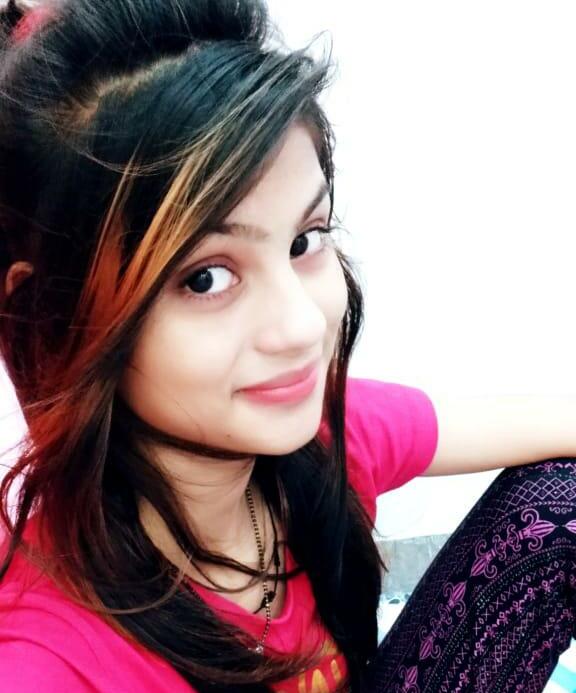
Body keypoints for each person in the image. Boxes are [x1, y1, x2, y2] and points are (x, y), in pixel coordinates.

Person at [0, 1, 575, 691]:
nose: (302, 326)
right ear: (49, 313)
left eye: (305, 241)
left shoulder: (320, 439)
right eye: (207, 277)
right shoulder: (45, 658)